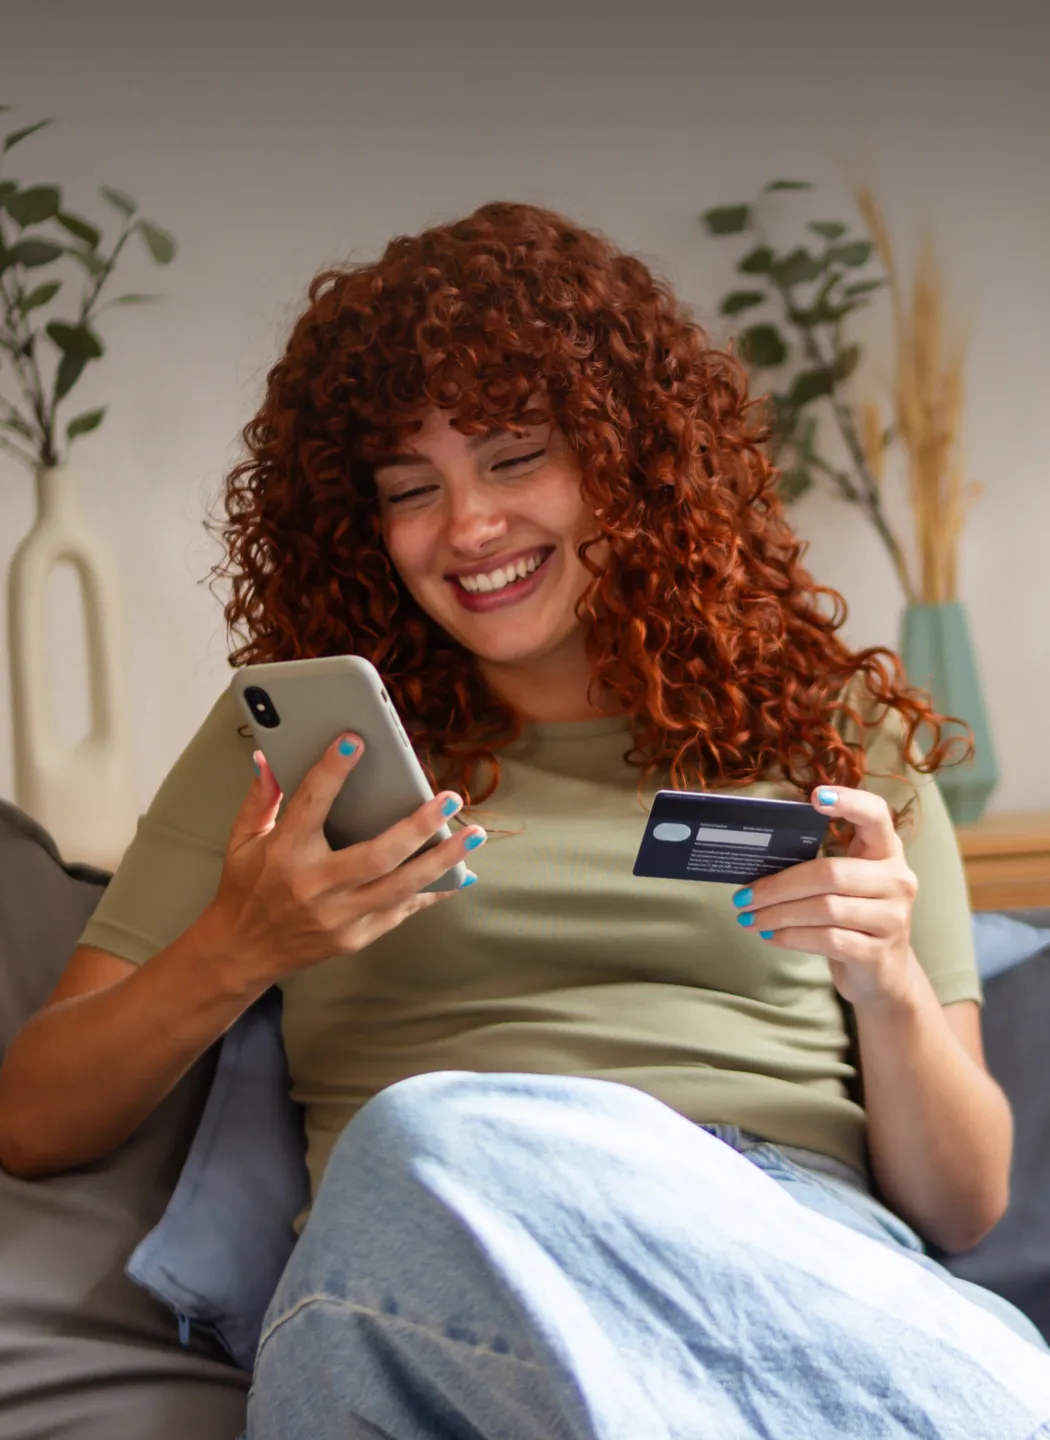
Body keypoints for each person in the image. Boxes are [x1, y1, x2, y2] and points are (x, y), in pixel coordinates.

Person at [1, 201, 1048, 1439]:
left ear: (630, 460)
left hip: (779, 1237)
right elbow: (35, 1117)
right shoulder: (291, 750)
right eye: (411, 489)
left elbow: (966, 1204)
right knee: (419, 1141)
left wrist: (889, 985)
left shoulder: (834, 726)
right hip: (424, 1263)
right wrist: (240, 949)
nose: (467, 529)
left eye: (513, 459)